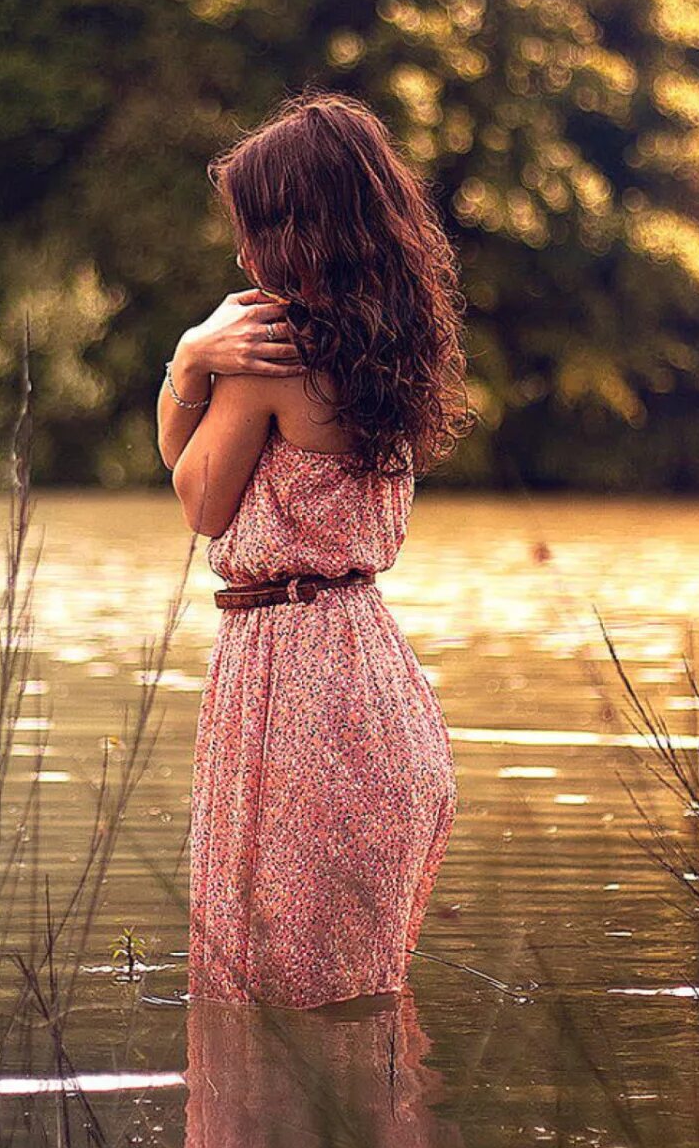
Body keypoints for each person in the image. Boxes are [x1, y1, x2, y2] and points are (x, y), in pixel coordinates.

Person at [155, 92, 469, 1008]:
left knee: (264, 1003)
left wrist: (191, 357)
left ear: (301, 230)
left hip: (293, 692)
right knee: (358, 1012)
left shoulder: (272, 359)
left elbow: (197, 499)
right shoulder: (393, 346)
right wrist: (200, 369)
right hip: (374, 685)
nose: (244, 253)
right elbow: (195, 466)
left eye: (256, 228)